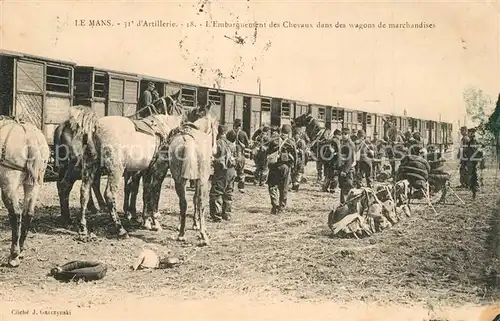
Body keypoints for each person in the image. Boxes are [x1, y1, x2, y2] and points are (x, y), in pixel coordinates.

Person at [266, 124, 297, 214]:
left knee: (272, 186)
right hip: (286, 167)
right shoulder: (291, 142)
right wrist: (293, 169)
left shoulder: (274, 141)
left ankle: (275, 205)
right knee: (284, 187)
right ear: (289, 132)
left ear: (280, 131)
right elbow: (295, 156)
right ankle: (282, 207)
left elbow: (268, 153)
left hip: (275, 166)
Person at [209, 124, 237, 222]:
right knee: (228, 192)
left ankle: (217, 215)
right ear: (225, 132)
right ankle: (227, 214)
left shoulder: (217, 143)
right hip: (232, 170)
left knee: (216, 193)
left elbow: (213, 156)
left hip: (221, 171)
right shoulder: (232, 144)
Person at [226, 119, 250, 193]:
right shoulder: (243, 133)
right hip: (240, 155)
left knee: (231, 171)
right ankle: (241, 187)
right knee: (241, 172)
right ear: (241, 125)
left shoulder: (230, 133)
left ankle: (230, 187)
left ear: (234, 124)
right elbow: (247, 144)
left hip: (231, 155)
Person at [338, 128, 356, 204]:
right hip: (342, 169)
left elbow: (350, 160)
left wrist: (345, 171)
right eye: (342, 134)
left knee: (348, 186)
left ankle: (348, 204)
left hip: (348, 170)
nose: (343, 135)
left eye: (345, 134)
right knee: (343, 186)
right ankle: (343, 204)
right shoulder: (343, 143)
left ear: (348, 135)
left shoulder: (349, 144)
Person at [465, 128, 481, 199]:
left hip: (472, 161)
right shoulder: (471, 141)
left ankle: (474, 191)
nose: (469, 134)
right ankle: (473, 191)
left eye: (470, 133)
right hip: (472, 160)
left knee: (473, 175)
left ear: (472, 133)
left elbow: (474, 151)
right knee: (472, 175)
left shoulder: (473, 141)